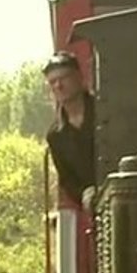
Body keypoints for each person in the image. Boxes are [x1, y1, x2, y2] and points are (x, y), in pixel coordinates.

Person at [42, 51, 98, 210]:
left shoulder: (107, 113)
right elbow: (67, 180)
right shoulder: (55, 136)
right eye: (52, 82)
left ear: (79, 77)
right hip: (96, 208)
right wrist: (84, 194)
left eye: (64, 78)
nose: (58, 86)